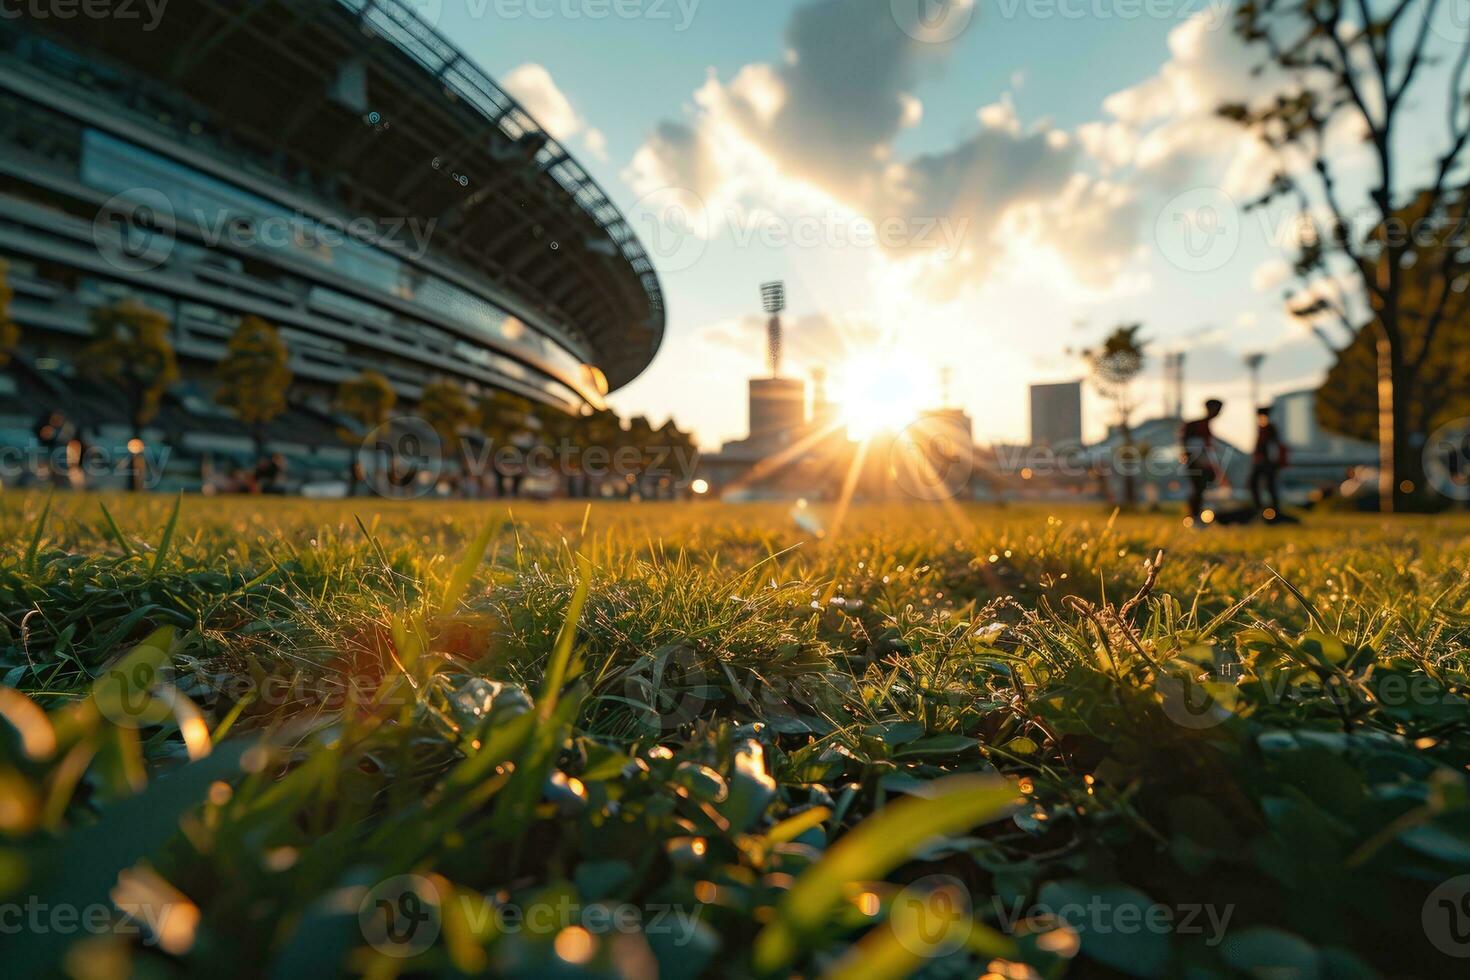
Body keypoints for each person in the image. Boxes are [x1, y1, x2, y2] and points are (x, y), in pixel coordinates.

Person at [1179, 399, 1224, 524]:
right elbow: (1191, 445)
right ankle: (1194, 517)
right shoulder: (1197, 425)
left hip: (1201, 463)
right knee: (1198, 489)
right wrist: (1197, 459)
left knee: (1200, 489)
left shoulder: (1204, 425)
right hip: (1197, 463)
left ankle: (1195, 516)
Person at [1250, 407, 1288, 517]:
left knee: (1270, 486)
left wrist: (1273, 461)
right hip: (1261, 462)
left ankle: (1274, 509)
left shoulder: (1270, 428)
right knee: (1257, 484)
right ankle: (1260, 508)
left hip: (1268, 463)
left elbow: (1273, 446)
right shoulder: (1261, 427)